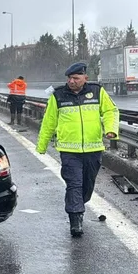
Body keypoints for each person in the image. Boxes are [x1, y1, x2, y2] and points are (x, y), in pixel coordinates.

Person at [36, 63, 119, 238]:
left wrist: (111, 129)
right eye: (69, 78)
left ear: (85, 78)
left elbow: (111, 111)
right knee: (74, 184)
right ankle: (76, 220)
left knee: (87, 185)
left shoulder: (97, 91)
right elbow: (49, 122)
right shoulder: (58, 95)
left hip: (93, 149)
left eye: (76, 78)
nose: (71, 81)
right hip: (69, 150)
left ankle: (79, 205)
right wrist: (41, 146)